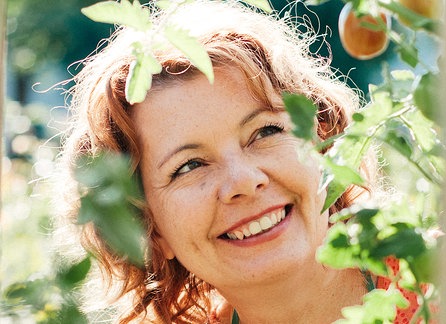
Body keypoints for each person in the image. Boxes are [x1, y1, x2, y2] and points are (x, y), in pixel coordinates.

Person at [55, 0, 424, 322]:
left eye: (265, 132)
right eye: (189, 165)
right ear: (150, 230)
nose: (244, 181)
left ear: (325, 142)